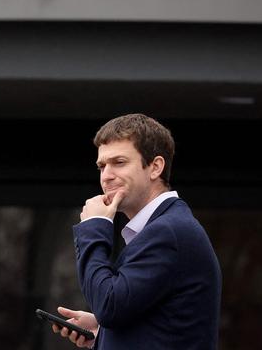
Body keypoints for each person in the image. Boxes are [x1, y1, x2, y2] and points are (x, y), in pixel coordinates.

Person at [53, 113, 221, 349]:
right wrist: (104, 333)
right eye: (102, 166)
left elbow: (109, 306)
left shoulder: (168, 231)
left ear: (155, 167)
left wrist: (93, 227)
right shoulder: (165, 227)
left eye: (119, 162)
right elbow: (153, 321)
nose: (106, 176)